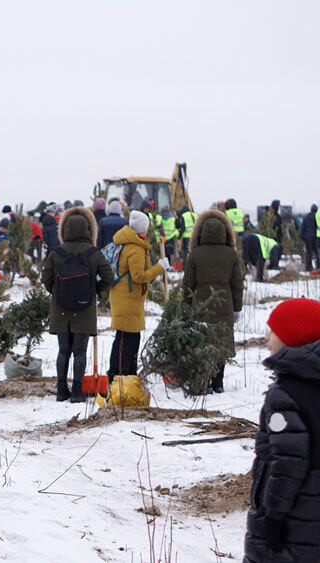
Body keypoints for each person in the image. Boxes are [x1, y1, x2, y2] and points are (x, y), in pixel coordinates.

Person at [243, 298, 320, 563]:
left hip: (294, 517)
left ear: (293, 337)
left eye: (274, 331)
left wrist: (272, 516)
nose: (267, 337)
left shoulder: (285, 394)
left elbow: (287, 464)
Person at [42, 206, 114, 402]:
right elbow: (109, 277)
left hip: (61, 308)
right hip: (85, 307)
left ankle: (61, 390)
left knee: (63, 349)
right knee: (80, 350)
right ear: (89, 229)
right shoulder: (94, 252)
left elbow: (45, 278)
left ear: (64, 229)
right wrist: (94, 290)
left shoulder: (57, 253)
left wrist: (56, 293)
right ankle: (77, 392)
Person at [182, 210, 244, 393]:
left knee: (202, 343)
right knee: (221, 344)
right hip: (224, 305)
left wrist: (186, 307)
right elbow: (237, 285)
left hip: (200, 305)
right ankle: (218, 382)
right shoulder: (231, 254)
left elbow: (188, 285)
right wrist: (237, 308)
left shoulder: (195, 254)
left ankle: (204, 381)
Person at [108, 211, 169, 382]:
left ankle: (125, 376)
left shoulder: (129, 242)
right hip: (127, 299)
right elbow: (138, 276)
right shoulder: (135, 248)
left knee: (127, 338)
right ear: (142, 229)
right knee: (127, 340)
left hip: (126, 298)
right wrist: (159, 267)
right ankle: (121, 377)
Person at [299, 203, 318, 272]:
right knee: (316, 252)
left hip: (307, 237)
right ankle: (318, 267)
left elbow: (302, 227)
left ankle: (308, 267)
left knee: (309, 253)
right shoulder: (317, 217)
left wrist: (302, 237)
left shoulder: (306, 217)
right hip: (315, 237)